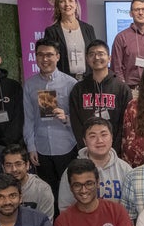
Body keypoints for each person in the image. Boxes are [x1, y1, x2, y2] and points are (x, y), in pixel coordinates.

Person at [22, 38, 78, 211]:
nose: (44, 59)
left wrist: (66, 117)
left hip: (66, 146)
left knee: (70, 189)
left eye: (49, 55)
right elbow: (28, 118)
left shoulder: (71, 83)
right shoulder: (30, 84)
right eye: (40, 55)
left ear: (58, 56)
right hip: (41, 148)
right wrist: (31, 147)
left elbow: (78, 118)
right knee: (48, 191)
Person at [69, 39, 132, 154]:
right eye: (92, 54)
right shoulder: (78, 89)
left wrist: (114, 148)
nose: (96, 58)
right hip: (87, 150)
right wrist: (86, 146)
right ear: (87, 59)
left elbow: (125, 124)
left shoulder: (122, 89)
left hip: (114, 151)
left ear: (109, 58)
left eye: (100, 54)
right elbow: (76, 123)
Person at [57, 117, 132, 211]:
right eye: (92, 136)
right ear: (84, 141)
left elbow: (131, 207)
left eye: (104, 135)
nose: (99, 140)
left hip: (117, 223)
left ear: (112, 137)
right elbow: (65, 208)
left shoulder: (125, 169)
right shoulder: (72, 171)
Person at [43, 0, 97, 79]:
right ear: (57, 6)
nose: (67, 4)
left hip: (88, 81)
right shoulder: (51, 31)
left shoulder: (88, 29)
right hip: (63, 82)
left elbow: (94, 55)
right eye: (62, 1)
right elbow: (50, 60)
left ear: (76, 4)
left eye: (70, 1)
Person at [2, 144, 54, 220]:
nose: (14, 169)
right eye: (8, 165)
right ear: (3, 168)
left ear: (27, 165)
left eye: (18, 164)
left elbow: (45, 224)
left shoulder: (42, 189)